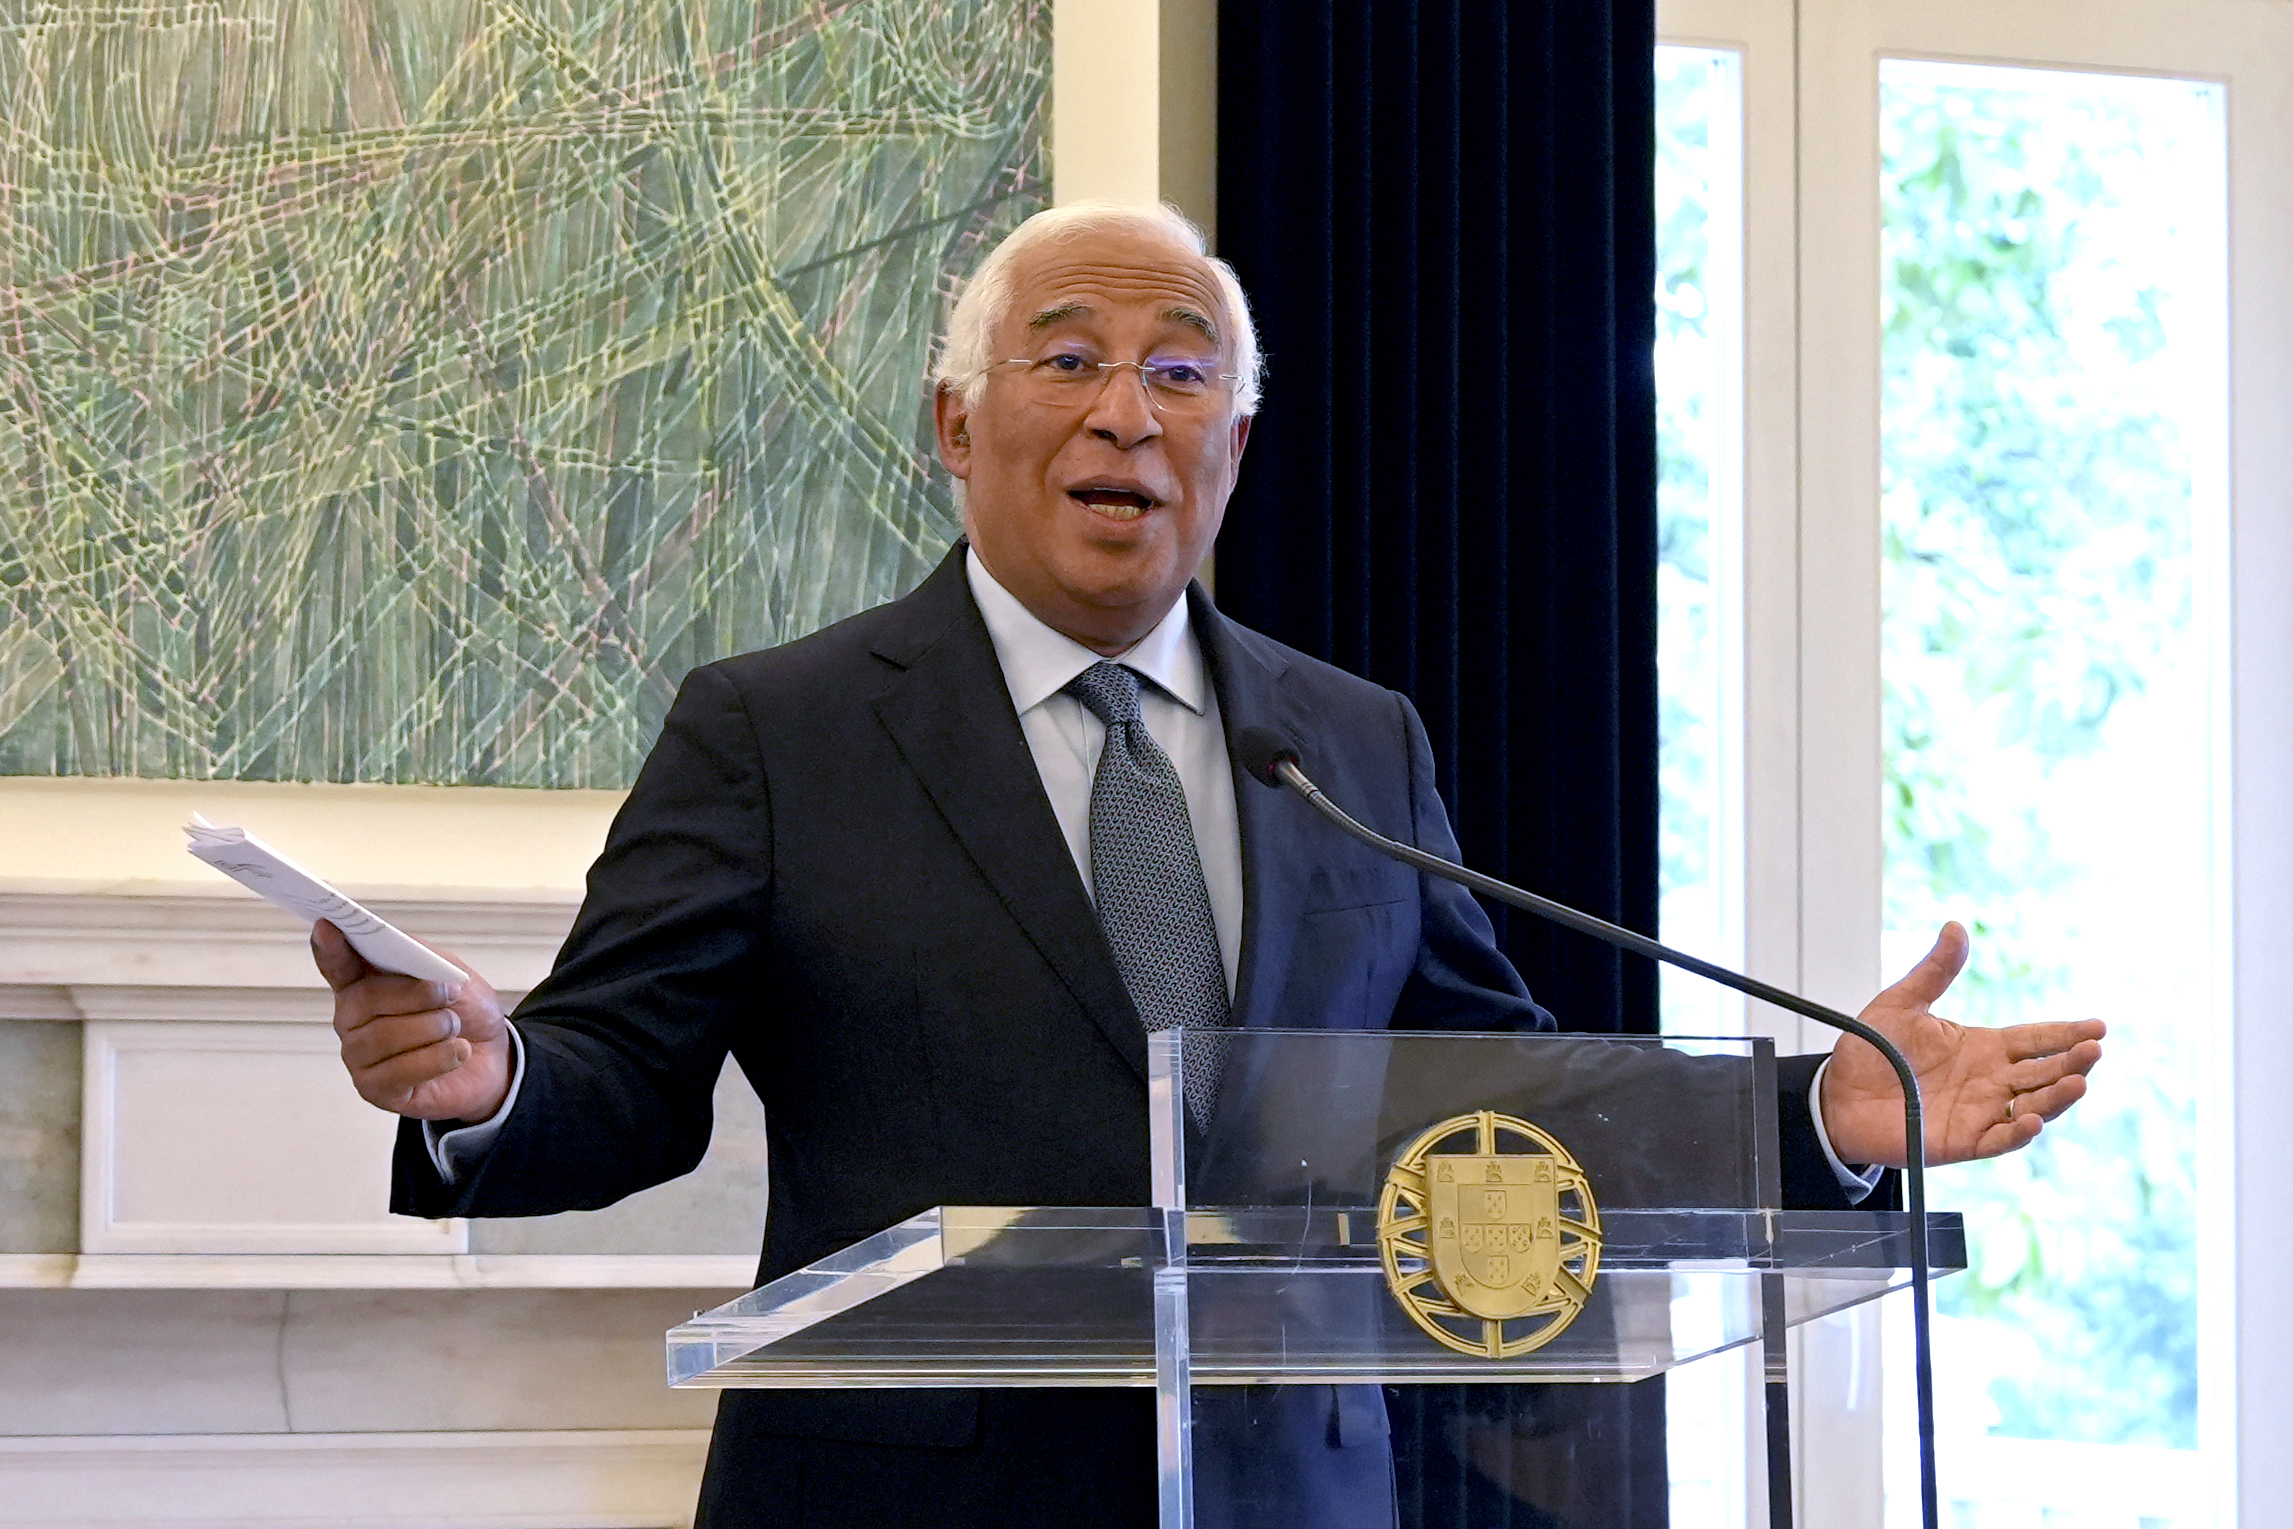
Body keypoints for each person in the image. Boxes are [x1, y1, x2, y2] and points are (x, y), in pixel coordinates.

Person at [314, 202, 2104, 1528]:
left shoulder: (1349, 747)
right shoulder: (778, 728)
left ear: (1232, 447)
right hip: (900, 1500)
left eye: (1182, 373)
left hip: (1292, 1498)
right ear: (957, 426)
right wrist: (493, 1079)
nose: (1125, 412)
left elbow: (1495, 1105)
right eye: (1071, 357)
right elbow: (624, 1081)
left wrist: (1823, 1113)